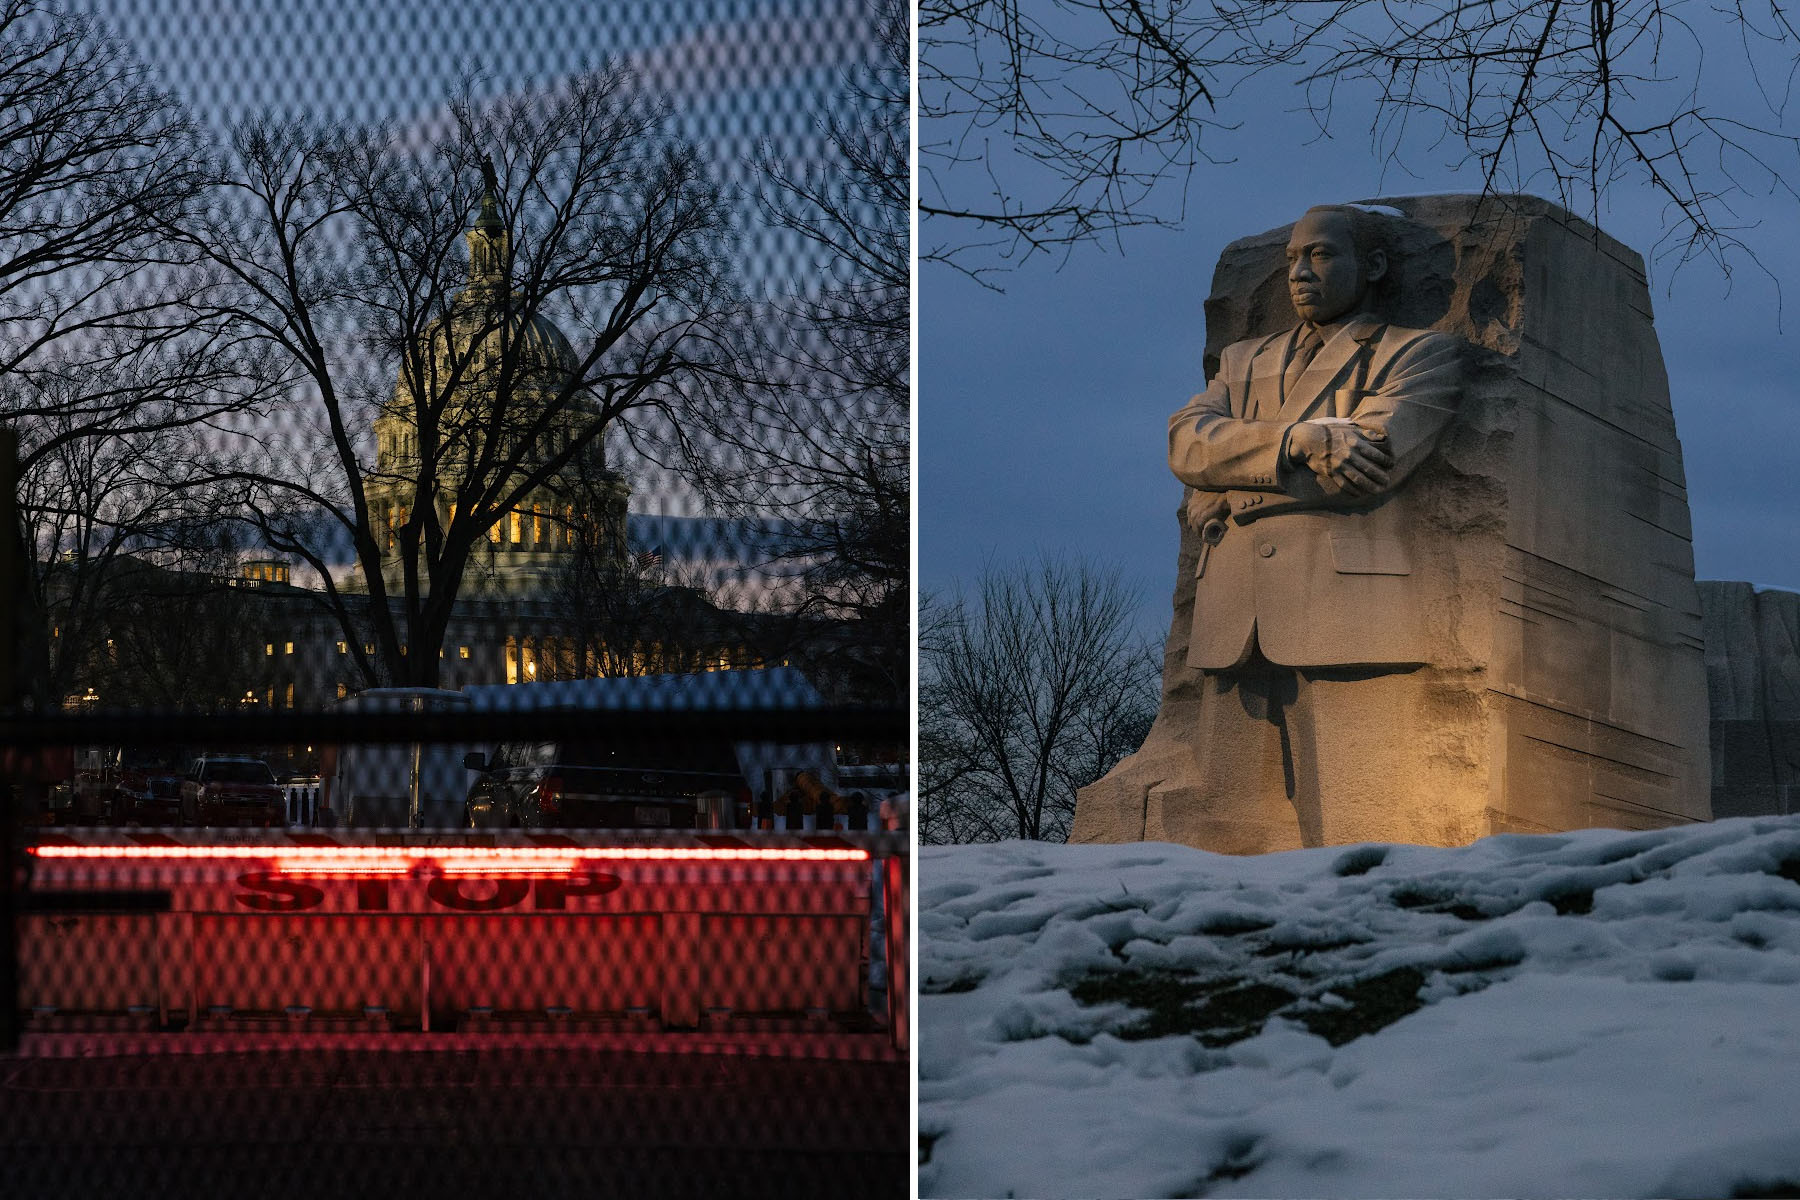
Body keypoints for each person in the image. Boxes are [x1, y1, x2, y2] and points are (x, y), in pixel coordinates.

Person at [1164, 203, 1465, 849]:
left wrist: (1227, 479)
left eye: (1322, 255)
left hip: (1347, 611)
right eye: (1294, 258)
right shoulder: (1243, 361)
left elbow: (1369, 463)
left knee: (1360, 828)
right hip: (1233, 614)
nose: (1300, 272)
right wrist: (1302, 439)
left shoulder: (1418, 354)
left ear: (1374, 265)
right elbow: (1185, 445)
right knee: (1220, 834)